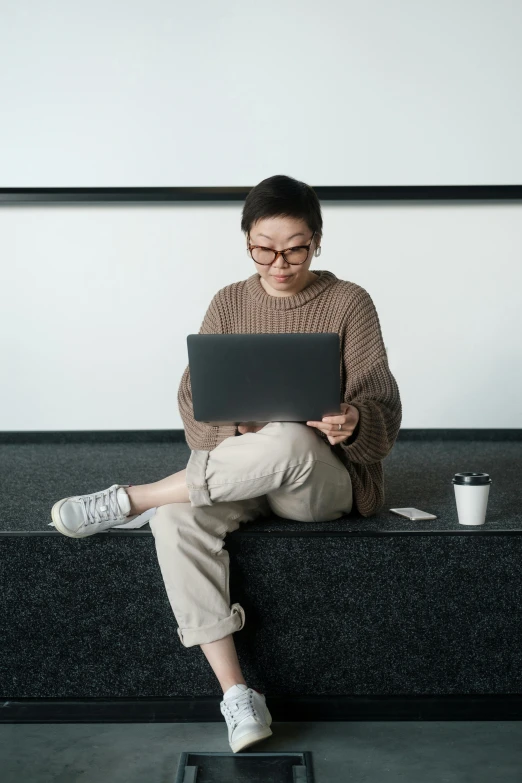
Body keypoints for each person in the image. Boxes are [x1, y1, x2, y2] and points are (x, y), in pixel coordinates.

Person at [50, 174, 402, 753]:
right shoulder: (230, 302)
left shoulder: (349, 302)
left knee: (289, 436)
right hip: (240, 471)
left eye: (295, 247)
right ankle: (238, 695)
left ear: (318, 240)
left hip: (320, 481)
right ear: (246, 240)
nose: (279, 262)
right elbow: (194, 400)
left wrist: (355, 421)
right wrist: (233, 426)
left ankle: (131, 499)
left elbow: (382, 407)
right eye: (264, 248)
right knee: (176, 521)